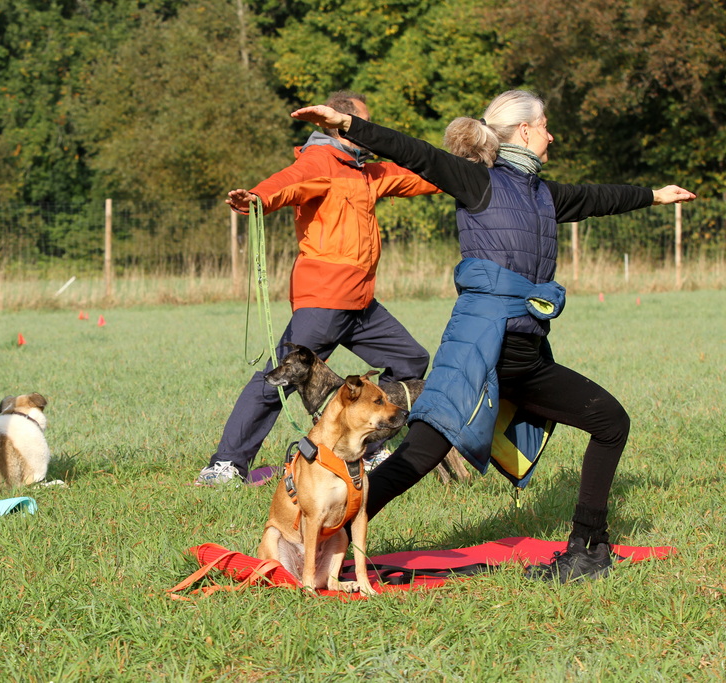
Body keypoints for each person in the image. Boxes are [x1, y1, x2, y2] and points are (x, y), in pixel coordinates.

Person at [292, 90, 695, 581]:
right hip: (479, 349)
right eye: (545, 125)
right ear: (524, 131)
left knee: (607, 422)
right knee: (421, 454)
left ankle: (588, 551)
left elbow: (597, 198)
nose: (551, 134)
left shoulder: (544, 195)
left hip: (524, 357)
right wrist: (346, 124)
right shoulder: (477, 181)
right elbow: (415, 151)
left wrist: (654, 195)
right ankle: (312, 539)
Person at [195, 90, 439, 486]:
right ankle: (226, 464)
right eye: (364, 123)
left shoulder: (365, 170)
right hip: (323, 300)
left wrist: (465, 174)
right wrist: (255, 198)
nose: (370, 131)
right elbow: (286, 184)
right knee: (279, 381)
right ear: (340, 123)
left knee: (411, 360)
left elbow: (417, 177)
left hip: (360, 302)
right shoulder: (320, 161)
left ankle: (370, 447)